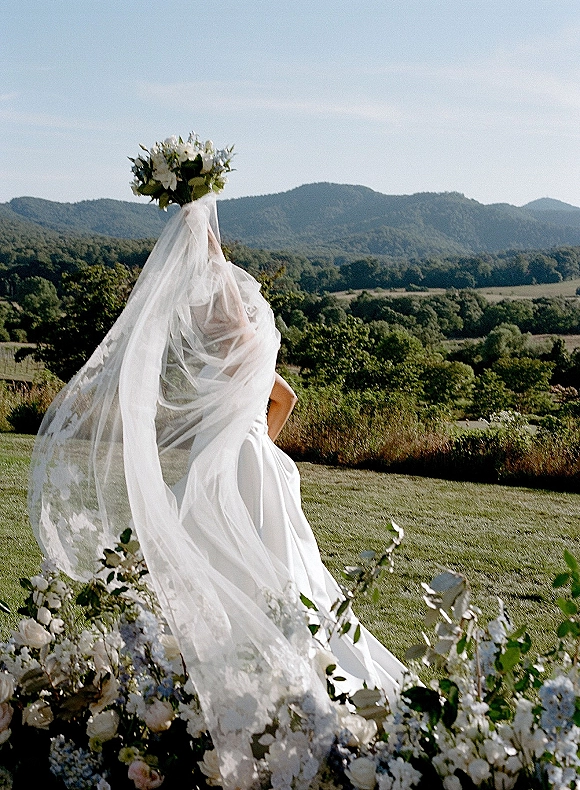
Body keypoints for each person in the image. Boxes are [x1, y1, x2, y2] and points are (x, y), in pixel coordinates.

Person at [29, 186, 404, 788]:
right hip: (252, 459)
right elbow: (287, 398)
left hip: (229, 465)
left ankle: (260, 685)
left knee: (243, 573)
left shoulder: (225, 330)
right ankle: (270, 680)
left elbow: (216, 292)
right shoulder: (247, 345)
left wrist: (195, 214)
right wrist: (262, 440)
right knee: (275, 572)